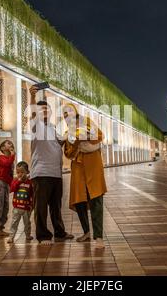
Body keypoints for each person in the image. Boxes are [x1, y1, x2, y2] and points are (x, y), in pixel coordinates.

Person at [29, 86, 74, 246]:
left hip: (56, 173)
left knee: (56, 206)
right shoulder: (36, 126)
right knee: (40, 207)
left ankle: (59, 232)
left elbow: (63, 141)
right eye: (42, 110)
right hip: (41, 173)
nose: (45, 112)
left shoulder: (53, 128)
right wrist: (32, 96)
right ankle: (43, 236)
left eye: (47, 110)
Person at [63, 103, 107, 249]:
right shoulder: (67, 132)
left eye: (69, 112)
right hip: (78, 169)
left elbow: (100, 135)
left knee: (96, 200)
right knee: (79, 201)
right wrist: (76, 142)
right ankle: (87, 232)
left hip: (93, 166)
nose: (67, 116)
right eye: (64, 114)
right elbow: (68, 153)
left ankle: (99, 237)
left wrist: (84, 136)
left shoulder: (86, 121)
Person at [7, 161, 34, 244]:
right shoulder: (15, 181)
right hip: (16, 207)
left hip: (26, 208)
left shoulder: (30, 182)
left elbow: (32, 195)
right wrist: (19, 181)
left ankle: (28, 235)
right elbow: (11, 189)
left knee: (27, 223)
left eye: (22, 172)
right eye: (18, 172)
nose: (20, 174)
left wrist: (32, 206)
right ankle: (11, 237)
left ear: (27, 172)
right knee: (14, 222)